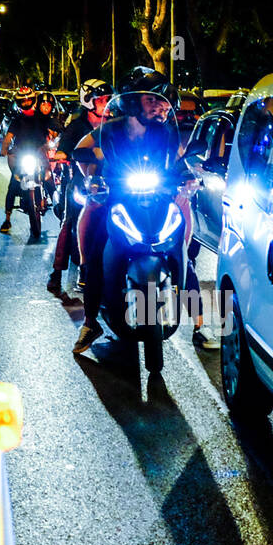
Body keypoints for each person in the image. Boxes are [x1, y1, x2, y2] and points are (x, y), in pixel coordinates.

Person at [70, 69, 211, 355]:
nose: (160, 107)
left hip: (159, 198)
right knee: (96, 250)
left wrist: (189, 177)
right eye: (152, 100)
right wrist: (93, 177)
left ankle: (200, 322)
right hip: (118, 199)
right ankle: (90, 322)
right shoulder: (109, 130)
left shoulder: (167, 132)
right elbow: (80, 150)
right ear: (134, 102)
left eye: (163, 102)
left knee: (182, 250)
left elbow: (179, 160)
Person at [46, 78, 112, 299]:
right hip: (81, 181)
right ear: (88, 101)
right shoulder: (77, 127)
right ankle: (57, 272)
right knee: (71, 218)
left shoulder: (115, 124)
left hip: (113, 180)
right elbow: (64, 149)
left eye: (108, 99)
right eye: (101, 100)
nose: (106, 104)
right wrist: (64, 154)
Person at [0, 85, 59, 235]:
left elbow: (55, 132)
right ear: (18, 103)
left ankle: (61, 211)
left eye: (28, 100)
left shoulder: (42, 118)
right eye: (22, 101)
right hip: (22, 155)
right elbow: (8, 138)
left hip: (40, 154)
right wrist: (4, 150)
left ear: (33, 100)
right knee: (13, 185)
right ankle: (7, 218)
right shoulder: (17, 120)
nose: (26, 103)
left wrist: (52, 141)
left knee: (50, 182)